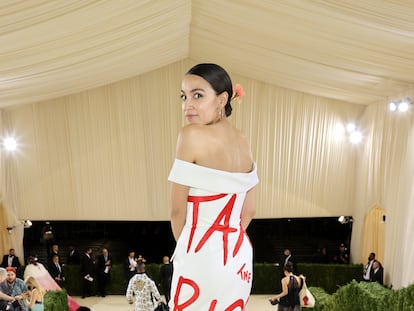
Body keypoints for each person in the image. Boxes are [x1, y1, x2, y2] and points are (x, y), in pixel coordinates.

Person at [168, 63, 259, 309]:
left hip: (200, 252)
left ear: (222, 99)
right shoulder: (243, 140)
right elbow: (249, 210)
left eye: (198, 95)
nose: (188, 104)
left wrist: (189, 249)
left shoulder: (190, 135)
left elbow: (177, 212)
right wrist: (226, 239)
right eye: (184, 96)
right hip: (238, 253)